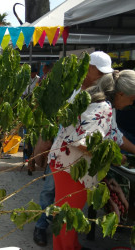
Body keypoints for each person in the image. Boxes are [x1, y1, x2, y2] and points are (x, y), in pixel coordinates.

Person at [33, 51, 114, 246]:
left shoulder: (95, 97)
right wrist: (41, 147)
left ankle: (66, 242)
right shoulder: (75, 91)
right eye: (98, 72)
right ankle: (43, 227)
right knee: (57, 202)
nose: (102, 76)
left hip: (66, 160)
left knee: (64, 210)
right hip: (66, 160)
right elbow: (59, 124)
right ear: (88, 68)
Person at [49, 70, 135, 249]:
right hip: (70, 166)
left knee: (71, 213)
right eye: (132, 99)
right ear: (121, 94)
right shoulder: (102, 107)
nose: (131, 104)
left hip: (68, 163)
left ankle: (72, 246)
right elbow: (84, 143)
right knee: (68, 215)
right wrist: (113, 158)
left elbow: (113, 135)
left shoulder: (105, 104)